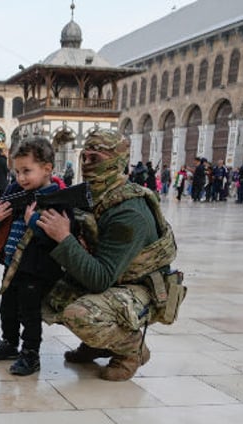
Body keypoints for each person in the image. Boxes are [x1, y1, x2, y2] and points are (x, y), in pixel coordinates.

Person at [36, 129, 183, 381]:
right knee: (41, 289)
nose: (87, 164)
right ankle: (99, 344)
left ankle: (131, 349)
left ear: (117, 162)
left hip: (142, 288)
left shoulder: (129, 212)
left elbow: (100, 278)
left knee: (79, 314)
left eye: (96, 159)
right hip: (116, 279)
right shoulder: (96, 195)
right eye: (85, 157)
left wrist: (64, 237)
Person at [0, 137, 69, 376]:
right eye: (17, 172)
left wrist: (34, 222)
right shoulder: (15, 192)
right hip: (13, 264)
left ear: (47, 168)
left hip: (36, 269)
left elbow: (55, 237)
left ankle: (30, 354)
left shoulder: (57, 197)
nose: (21, 178)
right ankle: (9, 343)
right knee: (7, 308)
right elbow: (1, 225)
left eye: (27, 171)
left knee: (29, 313)